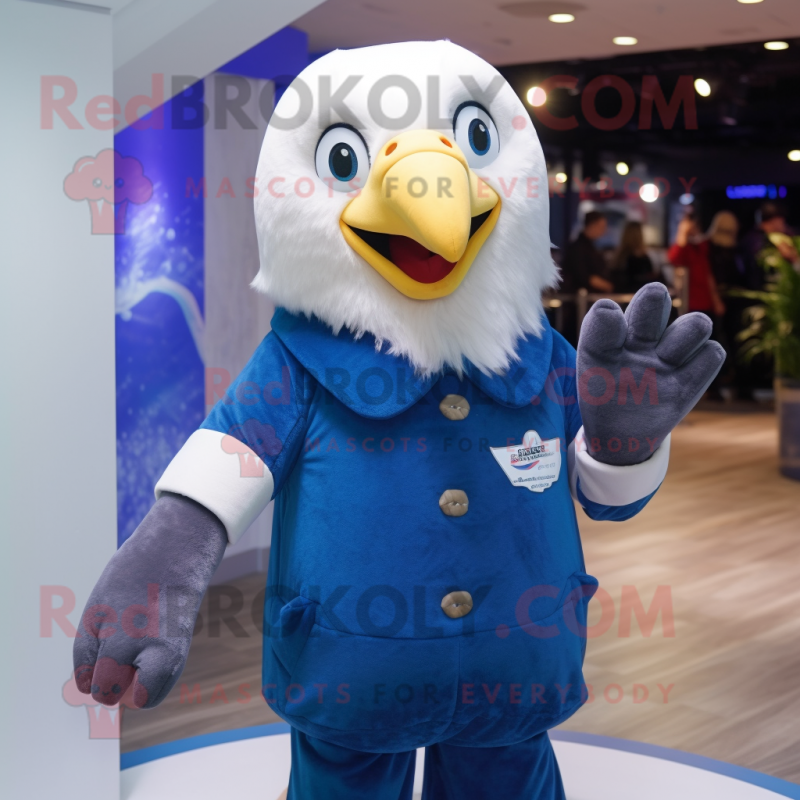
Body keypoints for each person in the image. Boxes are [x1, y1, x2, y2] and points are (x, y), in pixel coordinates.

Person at [667, 212, 725, 318]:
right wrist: (683, 233)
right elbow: (674, 259)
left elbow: (708, 276)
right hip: (689, 304)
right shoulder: (684, 248)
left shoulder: (702, 247)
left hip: (705, 303)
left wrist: (716, 300)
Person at [741, 201, 800, 289]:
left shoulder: (749, 238)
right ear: (776, 220)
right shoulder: (759, 242)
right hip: (763, 292)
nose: (784, 225)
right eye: (782, 220)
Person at [561, 210, 614, 294]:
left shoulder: (590, 246)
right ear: (592, 225)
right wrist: (608, 286)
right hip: (580, 297)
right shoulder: (578, 248)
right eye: (602, 227)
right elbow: (582, 276)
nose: (604, 230)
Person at [610, 221, 659, 293]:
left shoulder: (618, 256)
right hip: (638, 295)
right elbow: (649, 278)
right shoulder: (642, 258)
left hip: (619, 295)